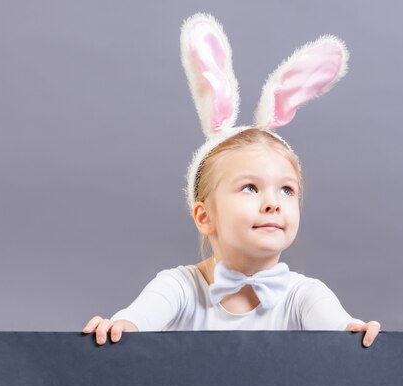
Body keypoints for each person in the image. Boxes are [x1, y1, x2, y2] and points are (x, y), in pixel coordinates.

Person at [83, 13, 381, 348]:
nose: (273, 202)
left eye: (286, 189)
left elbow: (340, 329)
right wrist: (117, 327)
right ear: (204, 216)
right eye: (250, 188)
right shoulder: (179, 288)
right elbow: (137, 320)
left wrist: (355, 333)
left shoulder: (304, 296)